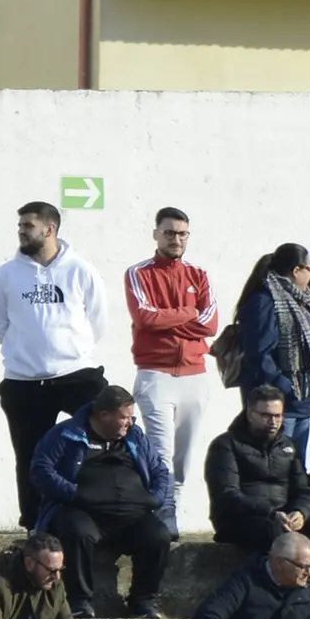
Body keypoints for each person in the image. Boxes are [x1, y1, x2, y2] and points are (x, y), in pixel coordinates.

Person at [0, 200, 110, 523]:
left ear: (50, 228)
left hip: (76, 375)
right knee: (29, 457)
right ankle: (34, 525)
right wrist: (29, 352)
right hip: (24, 382)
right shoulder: (6, 275)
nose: (21, 232)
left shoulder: (81, 270)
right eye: (20, 227)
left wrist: (67, 350)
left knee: (103, 442)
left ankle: (103, 514)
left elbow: (99, 321)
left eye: (28, 226)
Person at [28, 384, 174, 619]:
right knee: (77, 531)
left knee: (158, 535)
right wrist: (73, 494)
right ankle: (80, 601)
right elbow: (41, 470)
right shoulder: (65, 434)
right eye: (124, 417)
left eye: (131, 417)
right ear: (103, 415)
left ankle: (143, 600)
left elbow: (159, 470)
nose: (129, 423)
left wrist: (154, 498)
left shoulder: (135, 436)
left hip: (132, 515)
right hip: (83, 511)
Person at [122, 207, 220, 497]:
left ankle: (171, 508)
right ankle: (161, 512)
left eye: (182, 234)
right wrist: (189, 312)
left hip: (195, 375)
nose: (175, 239)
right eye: (169, 233)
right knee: (160, 450)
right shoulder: (138, 273)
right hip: (156, 374)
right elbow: (145, 318)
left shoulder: (199, 274)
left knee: (184, 455)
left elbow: (210, 324)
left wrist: (168, 320)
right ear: (156, 234)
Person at [235, 243, 310, 458]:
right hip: (277, 405)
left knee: (295, 469)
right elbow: (259, 354)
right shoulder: (265, 301)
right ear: (297, 271)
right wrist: (286, 388)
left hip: (301, 402)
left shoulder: (301, 301)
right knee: (276, 466)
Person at [208, 384, 310, 558]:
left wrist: (301, 512)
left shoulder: (288, 445)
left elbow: (306, 490)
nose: (273, 422)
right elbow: (227, 495)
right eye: (266, 416)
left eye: (278, 416)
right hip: (239, 520)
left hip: (283, 517)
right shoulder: (226, 445)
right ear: (250, 414)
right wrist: (270, 512)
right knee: (272, 532)